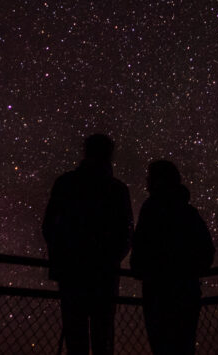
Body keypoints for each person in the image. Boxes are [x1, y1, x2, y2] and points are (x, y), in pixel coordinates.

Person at [42, 134, 134, 355]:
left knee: (75, 336)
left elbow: (49, 226)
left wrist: (63, 256)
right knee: (103, 336)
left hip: (71, 272)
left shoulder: (66, 183)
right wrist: (110, 259)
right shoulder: (117, 189)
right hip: (104, 274)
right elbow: (126, 233)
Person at [130, 160, 215, 355]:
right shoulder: (188, 212)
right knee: (184, 345)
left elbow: (140, 246)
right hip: (186, 290)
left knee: (161, 345)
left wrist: (142, 269)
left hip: (157, 291)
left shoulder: (151, 209)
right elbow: (206, 251)